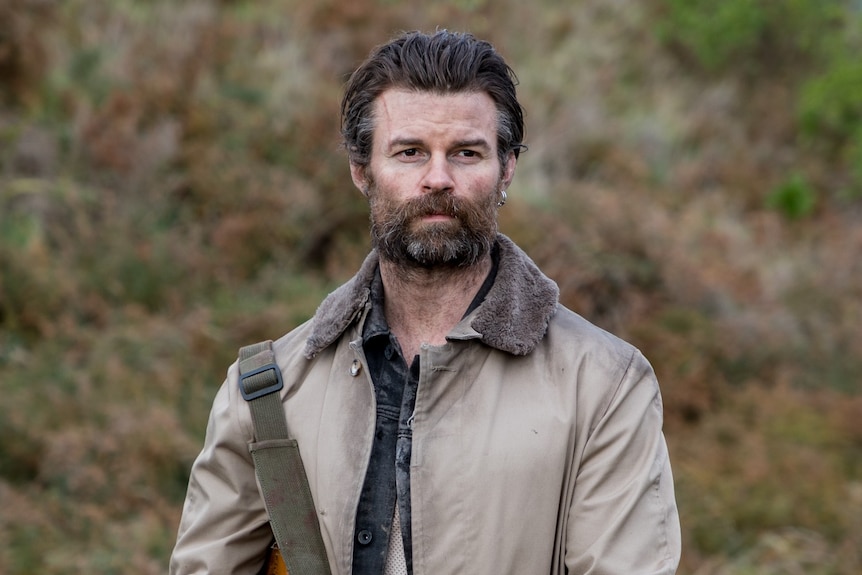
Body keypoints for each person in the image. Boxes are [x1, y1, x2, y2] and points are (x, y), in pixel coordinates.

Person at [170, 29, 681, 575]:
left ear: (505, 168)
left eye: (466, 152)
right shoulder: (267, 392)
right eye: (410, 152)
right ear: (362, 170)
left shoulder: (604, 386)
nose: (438, 178)